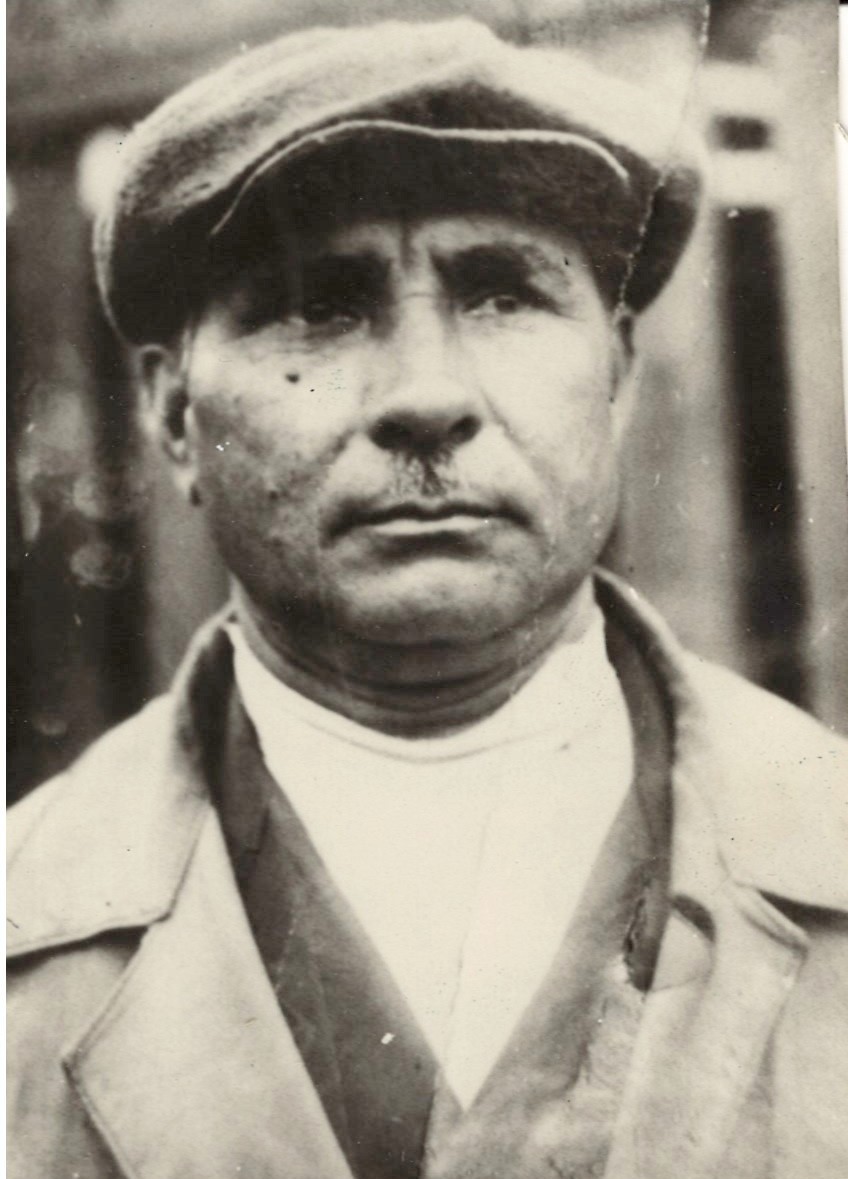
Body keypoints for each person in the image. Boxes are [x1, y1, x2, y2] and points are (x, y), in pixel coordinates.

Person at [7, 18, 848, 1179]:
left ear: (614, 375)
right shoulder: (25, 935)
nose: (425, 395)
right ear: (170, 415)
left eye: (502, 294)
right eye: (319, 305)